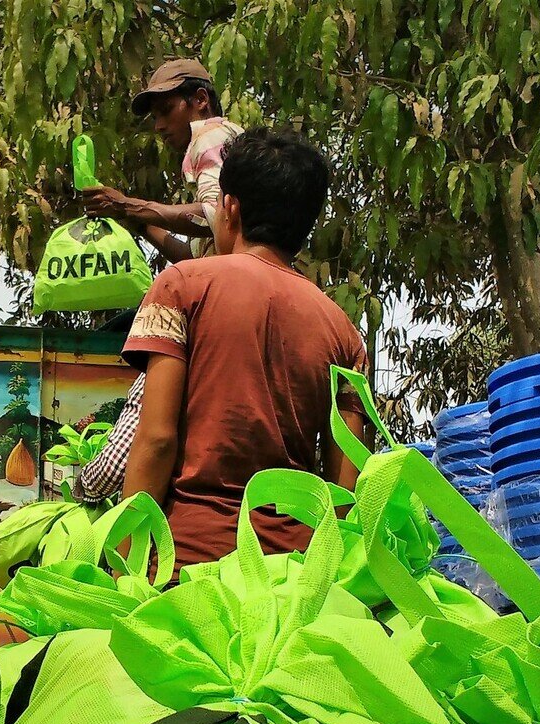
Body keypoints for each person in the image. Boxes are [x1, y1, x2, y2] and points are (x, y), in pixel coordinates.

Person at [118, 128, 369, 567]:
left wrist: (121, 559)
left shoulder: (182, 286)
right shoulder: (343, 332)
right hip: (290, 577)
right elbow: (344, 490)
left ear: (230, 207)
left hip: (186, 569)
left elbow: (156, 439)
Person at [72, 59, 244, 503]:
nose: (159, 126)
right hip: (233, 301)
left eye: (166, 111)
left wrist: (133, 204)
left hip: (217, 304)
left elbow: (212, 219)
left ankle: (91, 485)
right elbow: (197, 250)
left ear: (199, 101)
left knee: (149, 404)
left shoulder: (210, 136)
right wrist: (130, 216)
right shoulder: (222, 149)